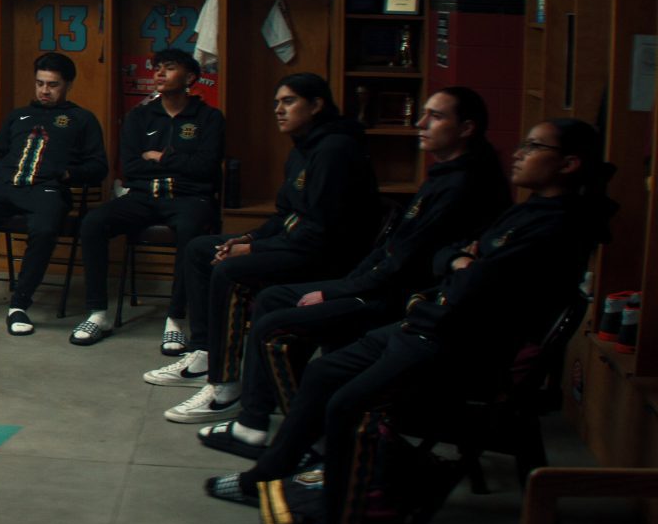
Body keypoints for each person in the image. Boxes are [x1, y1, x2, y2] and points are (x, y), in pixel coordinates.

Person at [212, 119, 617, 524]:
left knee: (345, 405)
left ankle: (341, 514)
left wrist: (466, 263)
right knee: (322, 371)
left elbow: (475, 282)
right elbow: (449, 257)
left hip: (460, 347)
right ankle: (262, 478)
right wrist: (464, 261)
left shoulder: (561, 226)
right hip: (429, 323)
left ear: (567, 164)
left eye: (533, 147)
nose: (518, 152)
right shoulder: (529, 208)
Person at [195, 87, 509, 456]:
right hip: (377, 284)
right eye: (423, 113)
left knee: (272, 323)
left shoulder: (463, 185)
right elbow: (389, 249)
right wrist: (343, 286)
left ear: (467, 128)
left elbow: (406, 264)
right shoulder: (444, 174)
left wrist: (337, 291)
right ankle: (259, 421)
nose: (420, 123)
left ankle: (297, 432)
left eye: (436, 117)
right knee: (272, 298)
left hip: (405, 304)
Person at [144, 72, 380, 423]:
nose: (279, 111)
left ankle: (225, 388)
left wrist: (253, 252)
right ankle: (206, 353)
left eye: (289, 102)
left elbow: (320, 230)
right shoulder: (303, 147)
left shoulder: (335, 149)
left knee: (230, 272)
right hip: (299, 243)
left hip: (329, 258)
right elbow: (286, 216)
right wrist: (248, 239)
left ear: (316, 105)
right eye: (276, 103)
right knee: (200, 249)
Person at [0, 52, 106, 334]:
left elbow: (99, 166)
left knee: (44, 229)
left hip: (47, 190)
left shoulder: (81, 119)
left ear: (68, 85)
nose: (44, 91)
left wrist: (67, 174)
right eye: (40, 83)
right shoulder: (19, 115)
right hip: (6, 187)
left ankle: (19, 304)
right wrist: (3, 170)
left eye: (52, 85)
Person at [70, 49, 224, 346]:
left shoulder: (209, 118)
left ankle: (176, 318)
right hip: (142, 196)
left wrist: (159, 157)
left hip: (189, 199)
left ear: (190, 77)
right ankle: (97, 313)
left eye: (169, 68)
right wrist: (178, 161)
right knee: (93, 222)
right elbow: (130, 166)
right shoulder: (140, 117)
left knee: (191, 232)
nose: (159, 73)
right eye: (157, 68)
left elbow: (205, 168)